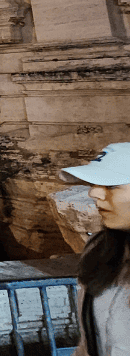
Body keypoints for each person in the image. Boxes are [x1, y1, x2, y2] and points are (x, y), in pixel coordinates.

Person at [61, 143, 130, 356]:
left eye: (111, 186)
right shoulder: (99, 250)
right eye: (94, 183)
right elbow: (89, 343)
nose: (93, 193)